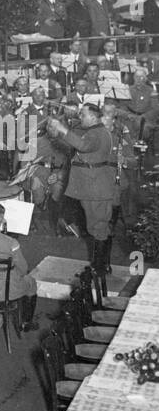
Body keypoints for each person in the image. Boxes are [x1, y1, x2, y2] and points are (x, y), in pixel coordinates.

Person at [47, 104, 118, 280]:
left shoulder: (96, 133)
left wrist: (62, 129)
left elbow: (83, 145)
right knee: (98, 227)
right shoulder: (94, 131)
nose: (80, 117)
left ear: (94, 117)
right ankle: (102, 265)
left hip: (96, 189)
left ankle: (98, 268)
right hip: (92, 187)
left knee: (98, 227)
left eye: (83, 114)